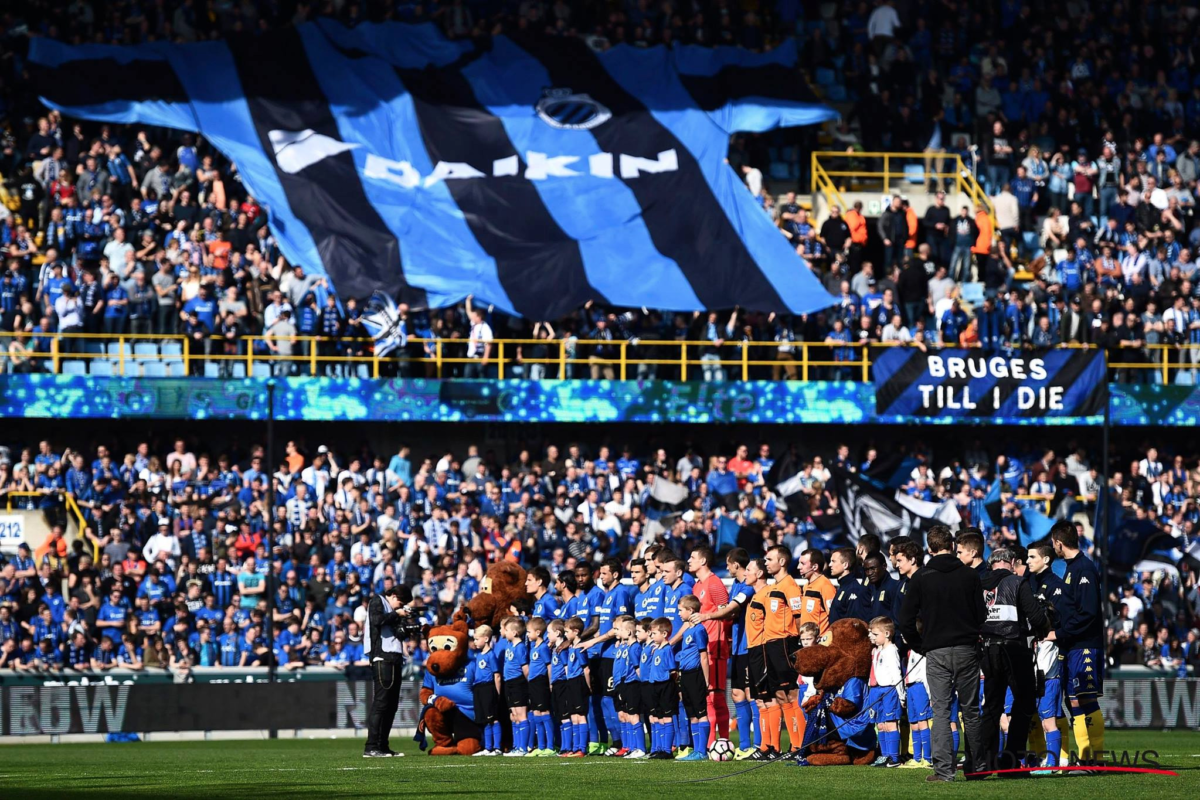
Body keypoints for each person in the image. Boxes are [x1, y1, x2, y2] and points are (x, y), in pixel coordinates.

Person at [898, 525, 987, 783]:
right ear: (952, 544)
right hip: (966, 649)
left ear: (929, 549)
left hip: (935, 650)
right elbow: (981, 615)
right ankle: (976, 767)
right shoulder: (970, 576)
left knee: (941, 711)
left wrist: (919, 644)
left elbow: (905, 620)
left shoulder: (922, 577)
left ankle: (945, 771)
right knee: (971, 711)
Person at [977, 548, 1051, 772]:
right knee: (1025, 702)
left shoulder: (978, 583)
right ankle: (1010, 759)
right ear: (1010, 562)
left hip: (987, 650)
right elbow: (1036, 617)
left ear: (991, 564)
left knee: (991, 706)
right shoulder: (1017, 582)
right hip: (1014, 649)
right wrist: (1043, 627)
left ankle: (985, 762)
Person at [1050, 520, 1106, 766]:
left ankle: (1094, 758)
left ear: (1059, 543)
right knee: (1076, 699)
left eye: (1053, 544)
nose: (1054, 548)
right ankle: (1087, 757)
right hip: (1074, 645)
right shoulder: (1072, 568)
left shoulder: (1084, 568)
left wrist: (1059, 633)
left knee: (1084, 698)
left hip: (1085, 644)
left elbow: (1088, 612)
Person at [1026, 544, 1069, 773]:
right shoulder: (1027, 582)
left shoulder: (1055, 585)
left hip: (1048, 658)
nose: (1028, 560)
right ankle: (1035, 760)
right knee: (1032, 716)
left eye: (1033, 557)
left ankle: (1054, 762)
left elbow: (1061, 620)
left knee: (1048, 716)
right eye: (1027, 556)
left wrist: (1051, 634)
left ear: (1047, 559)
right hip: (1033, 656)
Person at [762, 545, 805, 760]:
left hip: (784, 643)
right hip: (770, 644)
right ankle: (792, 746)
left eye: (770, 559)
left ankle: (799, 746)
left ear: (782, 562)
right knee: (780, 695)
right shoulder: (773, 586)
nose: (766, 562)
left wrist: (796, 642)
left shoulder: (790, 586)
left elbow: (799, 617)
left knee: (792, 693)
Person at [362, 583, 414, 758]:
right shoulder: (378, 601)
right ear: (394, 597)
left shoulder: (393, 611)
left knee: (391, 706)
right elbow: (376, 620)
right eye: (400, 603)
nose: (400, 607)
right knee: (381, 703)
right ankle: (371, 746)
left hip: (395, 658)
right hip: (382, 657)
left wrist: (406, 623)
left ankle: (382, 745)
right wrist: (396, 614)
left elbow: (400, 635)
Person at [673, 595, 711, 760]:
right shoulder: (687, 630)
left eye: (681, 610)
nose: (679, 613)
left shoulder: (699, 630)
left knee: (701, 712)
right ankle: (696, 750)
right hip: (686, 676)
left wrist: (706, 680)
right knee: (692, 714)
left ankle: (702, 751)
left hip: (696, 675)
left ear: (691, 610)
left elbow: (704, 656)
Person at [867, 617, 904, 768]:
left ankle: (894, 757)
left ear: (887, 633)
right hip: (876, 690)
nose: (871, 637)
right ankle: (884, 755)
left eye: (875, 634)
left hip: (889, 690)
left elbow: (896, 674)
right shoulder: (877, 651)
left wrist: (901, 695)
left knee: (890, 724)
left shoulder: (891, 651)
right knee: (880, 724)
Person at [645, 617, 678, 759]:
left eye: (654, 633)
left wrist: (671, 685)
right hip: (654, 685)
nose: (652, 636)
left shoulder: (667, 649)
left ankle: (667, 750)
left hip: (665, 685)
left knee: (666, 717)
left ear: (664, 634)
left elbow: (672, 670)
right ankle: (658, 748)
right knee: (658, 717)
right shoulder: (655, 649)